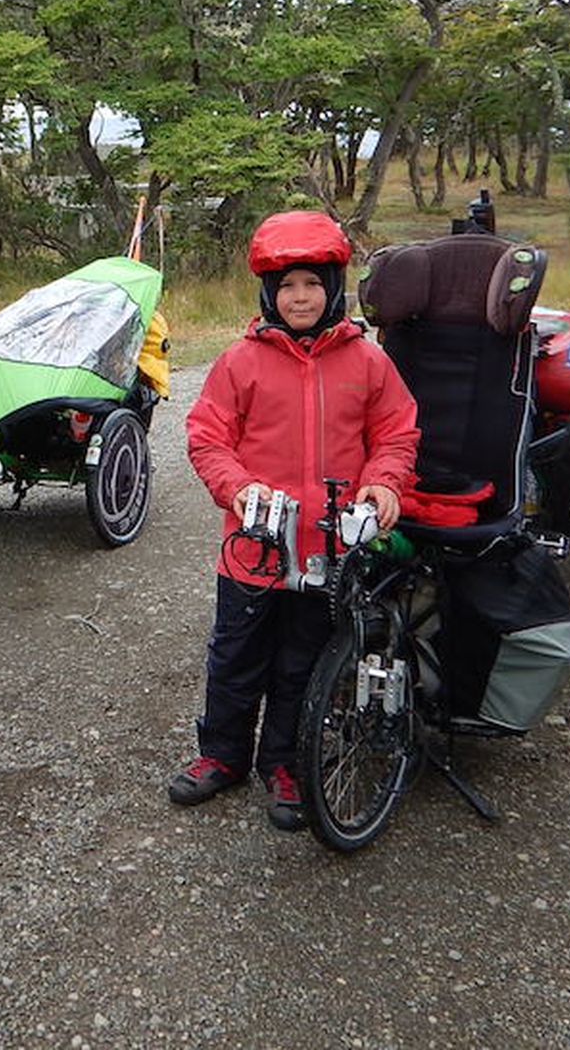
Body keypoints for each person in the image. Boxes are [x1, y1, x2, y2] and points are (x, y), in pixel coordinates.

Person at [171, 210, 420, 830]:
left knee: (301, 663)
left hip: (332, 552)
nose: (300, 296)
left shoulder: (367, 361)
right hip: (253, 550)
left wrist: (384, 484)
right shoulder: (240, 361)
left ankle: (283, 762)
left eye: (311, 283)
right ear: (268, 294)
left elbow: (395, 432)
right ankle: (222, 756)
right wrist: (238, 487)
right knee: (235, 658)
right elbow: (207, 438)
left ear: (333, 288)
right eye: (287, 286)